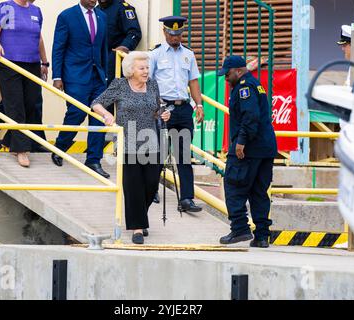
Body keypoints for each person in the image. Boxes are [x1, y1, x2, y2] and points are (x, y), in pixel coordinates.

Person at [91, 51, 170, 244]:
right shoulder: (120, 85)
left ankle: (140, 216)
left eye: (147, 68)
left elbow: (157, 108)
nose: (146, 71)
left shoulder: (152, 85)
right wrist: (107, 116)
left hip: (152, 141)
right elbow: (96, 103)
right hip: (128, 142)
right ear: (130, 70)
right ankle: (137, 228)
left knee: (151, 184)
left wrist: (164, 114)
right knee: (133, 185)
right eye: (141, 68)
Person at [217, 56, 277, 248]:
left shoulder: (244, 88)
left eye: (227, 74)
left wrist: (241, 141)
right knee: (258, 191)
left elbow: (250, 116)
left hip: (249, 149)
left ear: (238, 71)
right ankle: (261, 236)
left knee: (233, 184)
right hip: (265, 149)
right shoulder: (254, 83)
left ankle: (240, 227)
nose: (226, 78)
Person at [149, 16, 205, 212]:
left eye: (179, 34)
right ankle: (151, 189)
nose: (176, 38)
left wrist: (199, 105)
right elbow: (148, 83)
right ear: (165, 32)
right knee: (160, 152)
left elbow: (193, 82)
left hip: (183, 109)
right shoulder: (155, 54)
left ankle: (186, 199)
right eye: (172, 34)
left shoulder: (188, 54)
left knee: (183, 156)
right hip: (163, 108)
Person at [51, 0, 110, 179]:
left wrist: (105, 75)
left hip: (97, 75)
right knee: (76, 112)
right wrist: (57, 76)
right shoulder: (67, 16)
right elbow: (58, 47)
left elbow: (103, 48)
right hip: (75, 75)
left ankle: (93, 159)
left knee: (99, 115)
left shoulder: (102, 16)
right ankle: (60, 148)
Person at [0, 0, 48, 153]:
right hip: (9, 63)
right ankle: (20, 150)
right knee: (15, 105)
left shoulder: (36, 11)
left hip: (32, 64)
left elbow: (39, 39)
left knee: (29, 103)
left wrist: (45, 62)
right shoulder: (5, 7)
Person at [98, 0, 142, 85]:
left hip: (114, 58)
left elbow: (134, 33)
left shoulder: (123, 8)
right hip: (98, 59)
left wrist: (125, 46)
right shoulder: (95, 9)